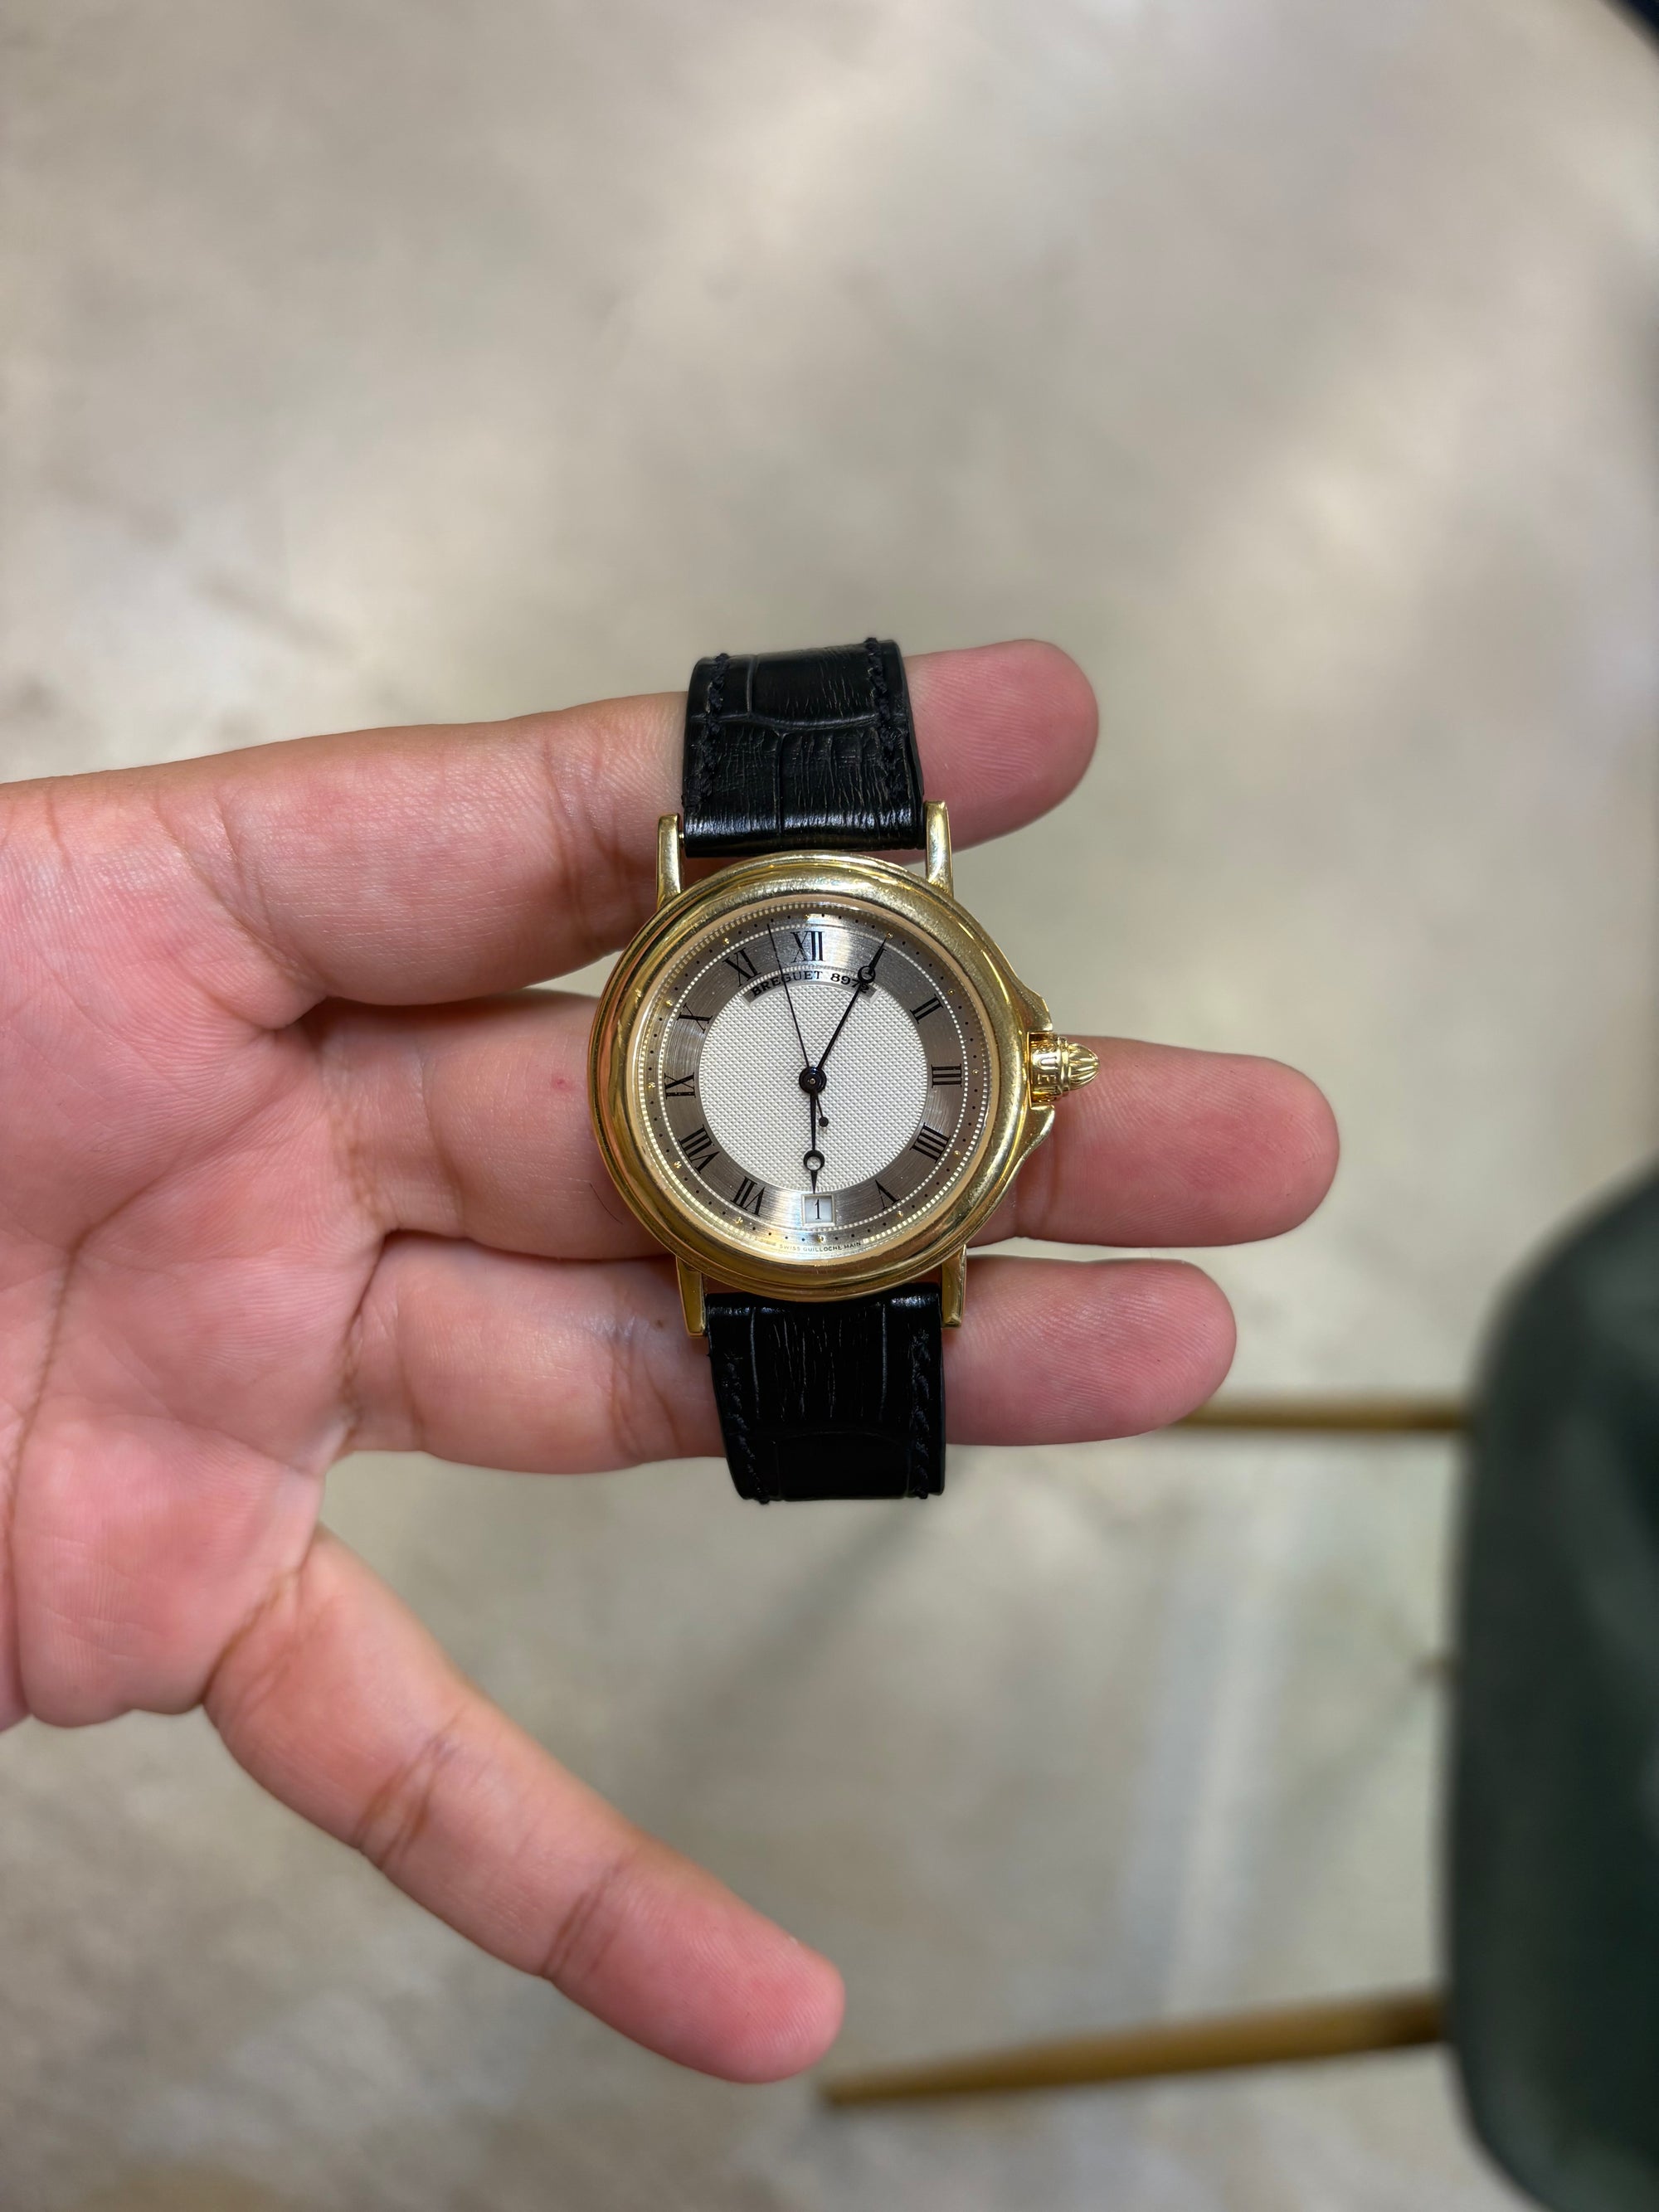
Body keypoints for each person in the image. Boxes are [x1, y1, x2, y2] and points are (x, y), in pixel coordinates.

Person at [0, 639, 1337, 2082]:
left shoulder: (855, 1020)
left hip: (811, 1242)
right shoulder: (783, 1021)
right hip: (766, 1245)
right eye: (802, 1072)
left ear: (1026, 1073)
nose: (811, 1082)